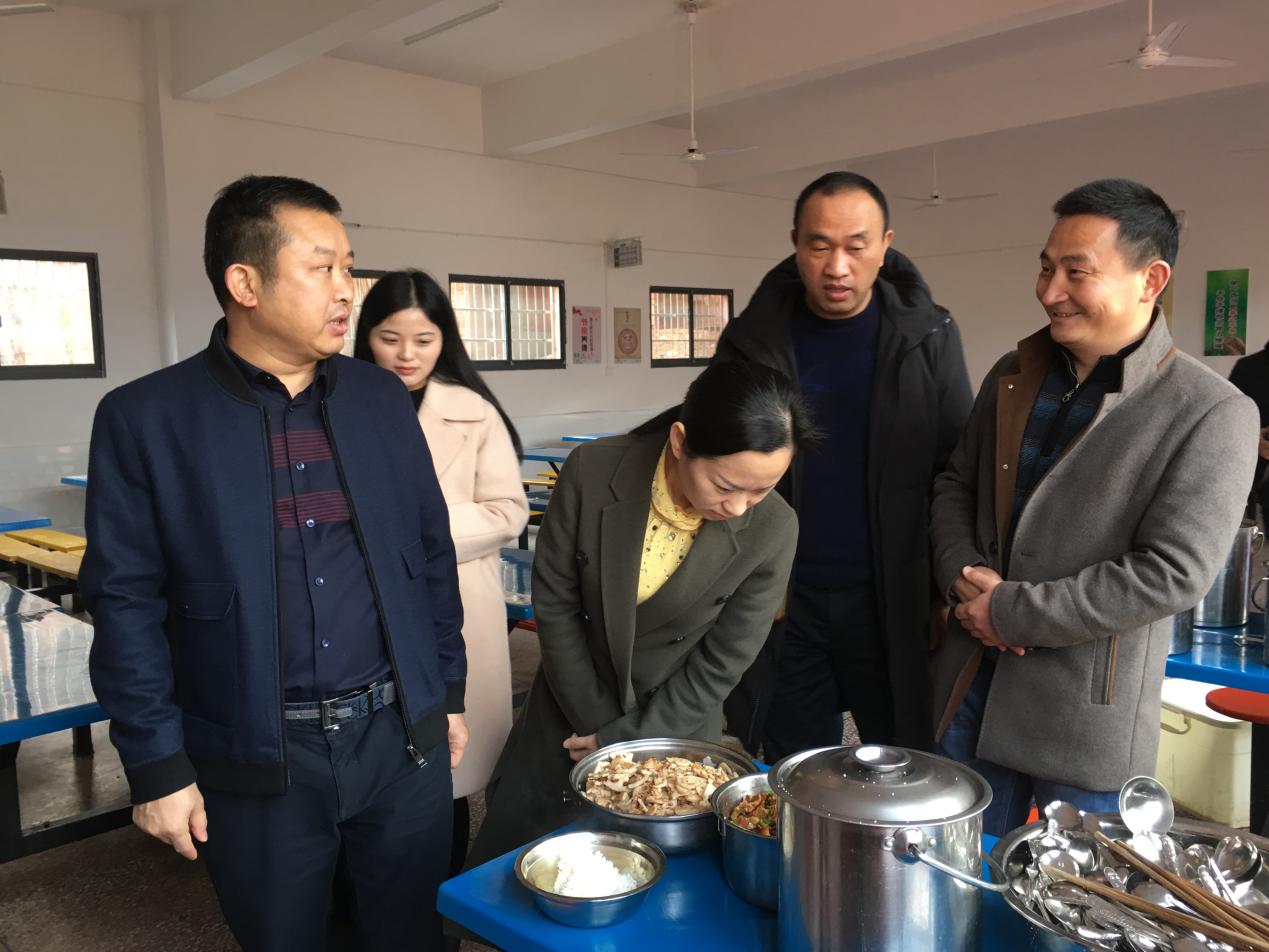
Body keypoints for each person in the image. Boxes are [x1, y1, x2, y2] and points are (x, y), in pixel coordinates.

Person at [80, 175, 467, 950]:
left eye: (348, 267)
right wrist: (156, 764)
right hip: (256, 755)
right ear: (245, 283)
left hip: (397, 736)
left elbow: (428, 553)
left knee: (412, 934)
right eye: (322, 268)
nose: (346, 290)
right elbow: (124, 603)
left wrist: (446, 692)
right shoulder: (147, 418)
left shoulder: (378, 399)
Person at [929, 178, 1259, 836]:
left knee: (1078, 891)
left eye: (1076, 273)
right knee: (953, 870)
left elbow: (1171, 571)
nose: (1050, 291)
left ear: (1150, 280)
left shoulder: (1211, 412)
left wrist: (1007, 611)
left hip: (1084, 712)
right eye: (1046, 268)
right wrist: (962, 574)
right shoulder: (1012, 375)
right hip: (970, 685)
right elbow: (956, 485)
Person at [468, 360, 811, 863]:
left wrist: (628, 741)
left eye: (761, 490)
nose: (739, 507)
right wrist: (599, 733)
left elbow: (723, 661)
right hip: (572, 704)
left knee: (659, 875)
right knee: (525, 862)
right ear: (680, 441)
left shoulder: (774, 528)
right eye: (724, 485)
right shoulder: (593, 470)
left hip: (675, 724)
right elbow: (557, 604)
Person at [711, 170, 973, 758]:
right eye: (819, 246)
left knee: (902, 761)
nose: (837, 267)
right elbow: (718, 463)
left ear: (885, 245)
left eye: (856, 247)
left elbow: (956, 469)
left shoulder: (928, 334)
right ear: (795, 243)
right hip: (784, 598)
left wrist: (943, 591)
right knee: (795, 766)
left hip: (894, 595)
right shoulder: (752, 339)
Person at [352, 268, 528, 874]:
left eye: (423, 340)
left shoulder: (473, 412)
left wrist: (409, 534)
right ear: (365, 337)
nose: (407, 354)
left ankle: (441, 895)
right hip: (359, 602)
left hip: (455, 601)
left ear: (444, 340)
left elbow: (508, 511)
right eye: (389, 338)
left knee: (448, 758)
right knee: (368, 751)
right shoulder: (339, 403)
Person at [1228, 343, 1269, 522]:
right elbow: (1230, 417)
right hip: (1255, 467)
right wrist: (1255, 439)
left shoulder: (1247, 366)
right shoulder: (1248, 367)